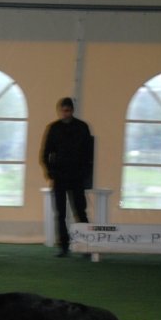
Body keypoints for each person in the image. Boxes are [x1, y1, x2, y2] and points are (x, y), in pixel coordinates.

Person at [41, 97, 94, 257]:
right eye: (63, 111)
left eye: (67, 111)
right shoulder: (53, 128)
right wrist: (50, 172)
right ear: (60, 111)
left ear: (72, 110)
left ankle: (86, 246)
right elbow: (45, 153)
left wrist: (85, 173)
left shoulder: (82, 127)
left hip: (77, 177)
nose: (65, 114)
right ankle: (64, 247)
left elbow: (88, 153)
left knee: (81, 212)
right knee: (61, 213)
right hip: (60, 177)